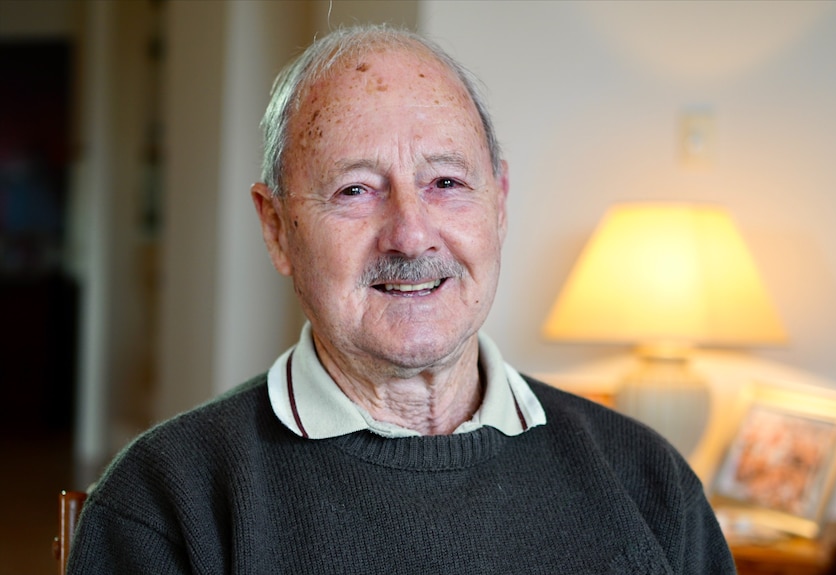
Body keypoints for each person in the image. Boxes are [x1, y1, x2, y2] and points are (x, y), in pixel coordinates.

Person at [67, 24, 736, 574]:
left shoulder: (648, 480)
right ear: (277, 229)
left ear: (498, 203)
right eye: (356, 189)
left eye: (445, 181)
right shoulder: (167, 499)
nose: (411, 232)